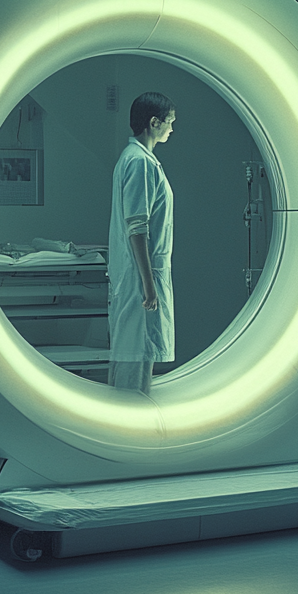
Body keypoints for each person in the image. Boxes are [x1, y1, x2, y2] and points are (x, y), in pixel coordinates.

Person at [107, 92, 176, 394]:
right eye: (170, 122)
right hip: (140, 279)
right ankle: (126, 433)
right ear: (154, 122)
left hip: (137, 275)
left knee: (134, 358)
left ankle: (123, 429)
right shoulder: (139, 163)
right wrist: (148, 285)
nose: (172, 129)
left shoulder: (136, 159)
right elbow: (137, 228)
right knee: (136, 361)